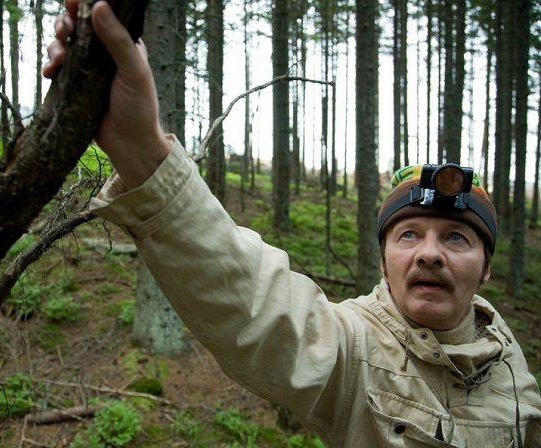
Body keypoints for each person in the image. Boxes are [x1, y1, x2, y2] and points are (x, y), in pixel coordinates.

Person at [44, 1, 541, 446]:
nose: (429, 253)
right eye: (408, 234)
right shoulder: (354, 348)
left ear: (486, 270)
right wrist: (140, 149)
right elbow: (254, 303)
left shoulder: (511, 366)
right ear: (385, 261)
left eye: (456, 238)